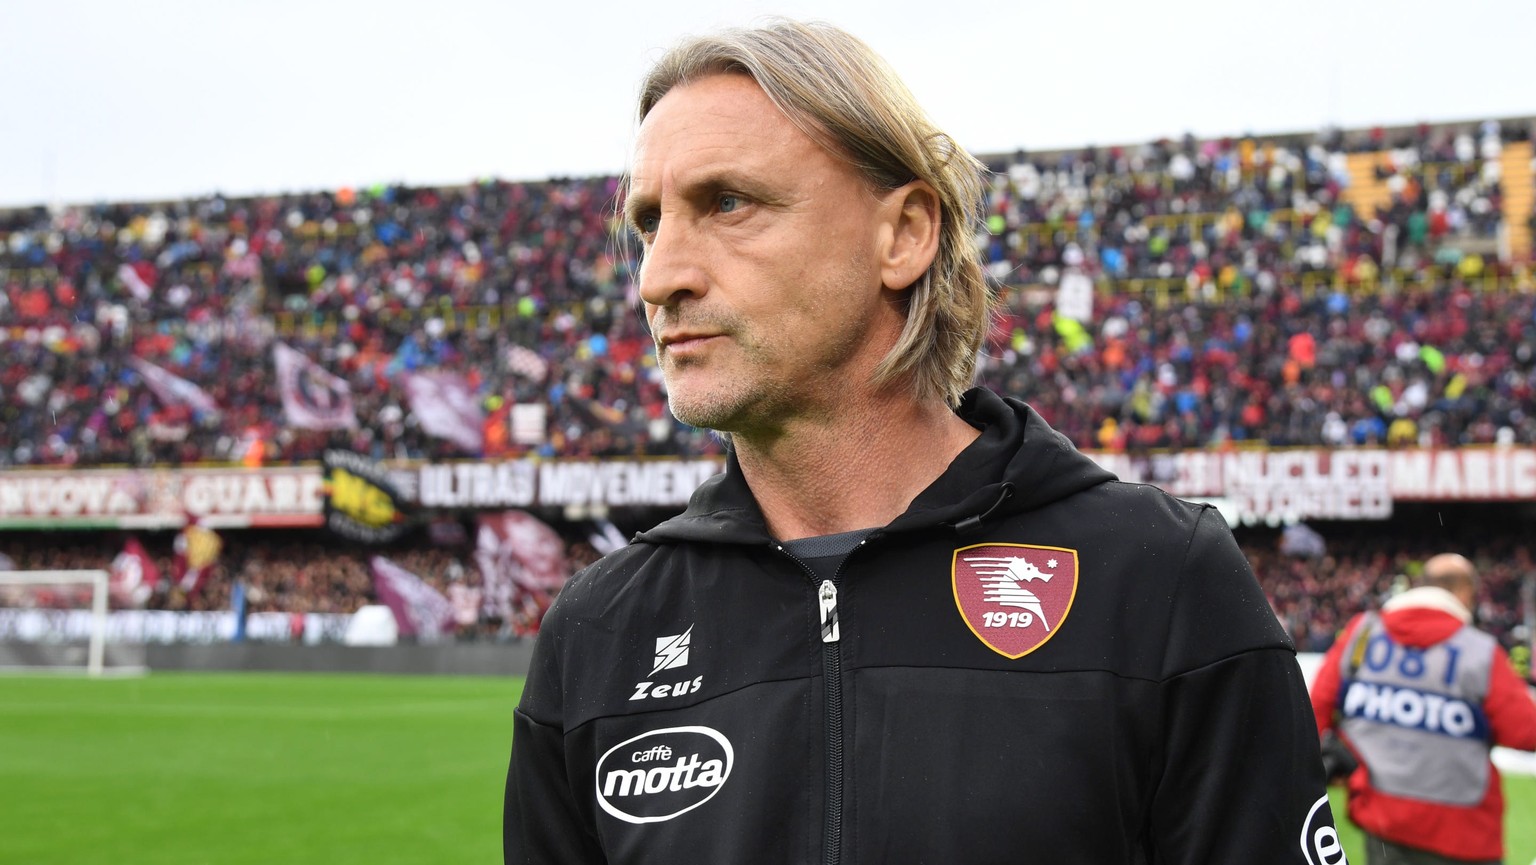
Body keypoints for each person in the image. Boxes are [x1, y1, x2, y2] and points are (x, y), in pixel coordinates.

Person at [504, 19, 1341, 864]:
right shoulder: (597, 634)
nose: (659, 277)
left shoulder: (1158, 582)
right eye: (649, 222)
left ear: (903, 234)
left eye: (728, 203)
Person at [1310, 553, 1536, 864]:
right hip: (1461, 830)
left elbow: (1317, 708)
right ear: (1464, 593)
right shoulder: (1478, 651)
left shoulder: (1362, 633)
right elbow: (1526, 731)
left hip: (1383, 819)